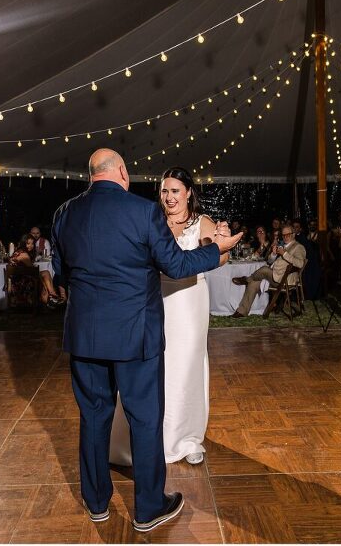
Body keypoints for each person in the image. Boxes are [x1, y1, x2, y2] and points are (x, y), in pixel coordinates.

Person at [51, 149, 239, 532]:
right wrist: (216, 249)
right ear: (122, 172)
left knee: (93, 417)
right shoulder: (143, 212)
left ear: (91, 174)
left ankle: (97, 503)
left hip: (85, 336)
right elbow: (177, 265)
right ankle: (149, 508)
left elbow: (61, 274)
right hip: (135, 335)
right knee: (145, 418)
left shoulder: (65, 213)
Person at [109, 167, 230, 467]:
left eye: (175, 190)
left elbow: (219, 255)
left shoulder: (202, 222)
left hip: (188, 303)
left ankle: (187, 439)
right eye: (164, 190)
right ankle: (139, 441)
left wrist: (221, 242)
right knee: (149, 367)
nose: (169, 197)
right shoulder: (153, 220)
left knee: (185, 366)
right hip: (154, 299)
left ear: (188, 192)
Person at [231, 226, 305, 317]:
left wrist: (284, 254)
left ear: (293, 234)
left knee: (264, 269)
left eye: (288, 234)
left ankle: (246, 279)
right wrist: (273, 254)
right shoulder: (282, 245)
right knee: (254, 283)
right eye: (283, 235)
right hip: (275, 276)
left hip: (285, 280)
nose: (285, 237)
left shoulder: (298, 247)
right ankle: (242, 311)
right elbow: (270, 261)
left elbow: (300, 263)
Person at [8, 233, 63, 306]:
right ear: (23, 243)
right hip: (21, 283)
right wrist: (42, 283)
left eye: (32, 243)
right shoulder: (24, 255)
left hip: (17, 280)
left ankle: (52, 296)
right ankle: (52, 297)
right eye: (28, 243)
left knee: (45, 273)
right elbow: (33, 271)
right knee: (44, 277)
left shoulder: (18, 252)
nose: (31, 246)